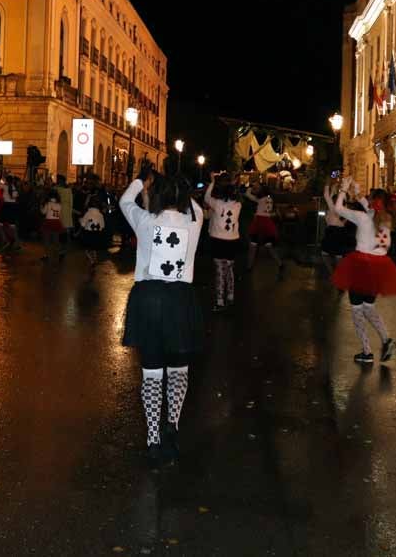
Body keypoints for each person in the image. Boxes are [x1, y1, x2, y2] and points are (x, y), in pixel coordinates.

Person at [119, 160, 204, 466]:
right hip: (181, 300)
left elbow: (124, 201)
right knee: (179, 369)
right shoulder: (194, 223)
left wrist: (142, 179)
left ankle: (153, 438)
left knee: (152, 371)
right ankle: (173, 427)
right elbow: (195, 207)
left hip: (149, 298)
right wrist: (181, 185)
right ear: (183, 197)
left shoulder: (144, 221)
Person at [327, 179, 396, 364]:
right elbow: (369, 207)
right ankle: (387, 339)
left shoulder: (364, 217)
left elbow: (338, 208)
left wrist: (344, 190)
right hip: (380, 267)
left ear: (374, 202)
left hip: (362, 265)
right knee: (368, 307)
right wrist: (357, 191)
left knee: (356, 309)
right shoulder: (386, 218)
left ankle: (367, 351)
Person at [205, 173, 242, 311]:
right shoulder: (238, 205)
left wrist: (213, 181)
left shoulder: (217, 204)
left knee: (220, 270)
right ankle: (231, 296)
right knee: (230, 268)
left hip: (218, 240)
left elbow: (207, 198)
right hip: (232, 240)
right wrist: (233, 182)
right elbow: (237, 192)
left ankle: (220, 301)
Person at [244, 183, 283, 275]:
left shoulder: (260, 199)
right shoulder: (270, 199)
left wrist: (250, 186)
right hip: (267, 224)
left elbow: (247, 195)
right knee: (269, 246)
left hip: (258, 223)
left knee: (252, 246)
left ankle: (249, 267)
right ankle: (280, 264)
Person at [321, 180, 352, 275]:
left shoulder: (335, 207)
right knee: (336, 255)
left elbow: (327, 196)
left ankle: (335, 274)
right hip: (338, 231)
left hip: (333, 231)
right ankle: (337, 274)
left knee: (329, 254)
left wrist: (327, 184)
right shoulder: (343, 208)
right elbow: (329, 196)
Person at [79, 188, 109, 270]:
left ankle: (92, 261)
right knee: (94, 248)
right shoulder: (100, 214)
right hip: (97, 234)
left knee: (87, 249)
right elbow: (102, 226)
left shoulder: (88, 213)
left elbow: (83, 223)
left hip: (88, 233)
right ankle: (94, 259)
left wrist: (80, 220)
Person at [40, 188, 65, 262]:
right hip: (56, 222)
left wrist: (41, 206)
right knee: (56, 240)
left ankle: (46, 255)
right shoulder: (59, 205)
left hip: (48, 222)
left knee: (46, 240)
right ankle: (60, 252)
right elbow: (60, 215)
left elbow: (43, 212)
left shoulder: (48, 204)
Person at [0, 174, 21, 251]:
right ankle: (16, 243)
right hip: (13, 207)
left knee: (0, 225)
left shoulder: (5, 187)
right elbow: (16, 197)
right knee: (12, 226)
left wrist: (2, 175)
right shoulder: (14, 188)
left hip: (6, 206)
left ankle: (5, 240)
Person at [56, 174, 74, 257]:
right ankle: (65, 248)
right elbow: (71, 202)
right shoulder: (69, 190)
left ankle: (61, 248)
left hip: (59, 210)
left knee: (60, 230)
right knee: (65, 230)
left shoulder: (57, 189)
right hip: (66, 211)